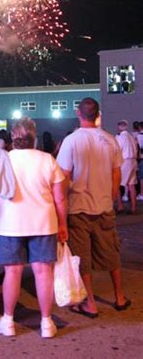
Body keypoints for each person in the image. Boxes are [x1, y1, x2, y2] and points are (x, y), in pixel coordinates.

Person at [0, 117, 67, 339]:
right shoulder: (47, 160)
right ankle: (46, 322)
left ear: (13, 137)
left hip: (10, 224)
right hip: (44, 223)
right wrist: (63, 224)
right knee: (42, 271)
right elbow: (60, 198)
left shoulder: (2, 160)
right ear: (34, 137)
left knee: (13, 271)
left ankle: (8, 321)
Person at [56, 97, 130, 317]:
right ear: (97, 114)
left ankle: (90, 303)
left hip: (78, 208)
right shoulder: (110, 140)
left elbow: (63, 176)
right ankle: (119, 296)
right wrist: (112, 195)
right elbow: (117, 172)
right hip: (104, 206)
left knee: (82, 257)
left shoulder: (71, 141)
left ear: (79, 113)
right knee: (111, 252)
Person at [115, 120, 138, 214]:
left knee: (116, 183)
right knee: (131, 185)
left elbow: (116, 150)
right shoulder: (131, 137)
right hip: (133, 161)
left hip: (125, 161)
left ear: (119, 127)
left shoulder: (120, 138)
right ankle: (133, 207)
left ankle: (120, 206)